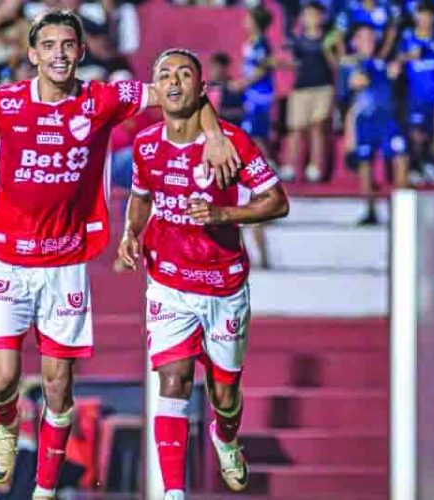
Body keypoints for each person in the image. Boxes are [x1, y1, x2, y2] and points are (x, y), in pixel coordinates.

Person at [0, 10, 240, 497]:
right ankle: (6, 421)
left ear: (81, 52)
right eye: (49, 46)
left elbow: (179, 92)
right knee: (1, 381)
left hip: (65, 264)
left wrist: (213, 135)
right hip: (9, 261)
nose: (59, 54)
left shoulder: (101, 99)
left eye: (68, 45)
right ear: (33, 53)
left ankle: (44, 489)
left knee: (58, 387)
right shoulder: (5, 102)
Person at [117, 49, 289, 498]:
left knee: (224, 396)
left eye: (184, 74)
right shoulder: (145, 144)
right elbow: (141, 196)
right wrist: (131, 232)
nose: (174, 82)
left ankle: (225, 437)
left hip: (223, 285)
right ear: (156, 88)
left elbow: (277, 201)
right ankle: (174, 492)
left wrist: (223, 214)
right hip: (169, 282)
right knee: (173, 381)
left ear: (201, 88)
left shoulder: (229, 143)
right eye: (165, 75)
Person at [338, 24, 408, 225]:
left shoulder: (383, 63)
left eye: (371, 37)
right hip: (365, 120)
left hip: (388, 120)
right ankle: (369, 209)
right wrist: (349, 133)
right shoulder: (349, 66)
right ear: (355, 42)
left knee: (401, 158)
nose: (369, 42)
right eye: (364, 38)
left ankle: (402, 211)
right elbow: (348, 98)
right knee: (365, 163)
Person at [281, 1, 335, 183]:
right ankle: (289, 166)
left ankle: (315, 167)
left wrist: (330, 50)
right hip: (301, 88)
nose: (310, 18)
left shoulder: (328, 39)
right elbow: (290, 61)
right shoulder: (297, 41)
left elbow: (335, 64)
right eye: (307, 15)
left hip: (323, 87)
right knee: (296, 129)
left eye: (314, 14)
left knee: (317, 128)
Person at [398, 2, 434, 186]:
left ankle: (430, 165)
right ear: (415, 17)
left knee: (433, 133)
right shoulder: (407, 38)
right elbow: (395, 61)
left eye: (428, 16)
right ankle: (415, 166)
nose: (425, 19)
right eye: (421, 15)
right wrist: (408, 57)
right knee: (416, 134)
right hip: (414, 96)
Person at [233, 6, 275, 164]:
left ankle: (268, 164)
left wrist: (243, 83)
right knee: (253, 130)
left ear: (256, 22)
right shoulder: (252, 41)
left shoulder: (260, 43)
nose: (244, 21)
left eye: (248, 18)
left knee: (255, 132)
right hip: (251, 92)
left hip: (259, 94)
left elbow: (262, 69)